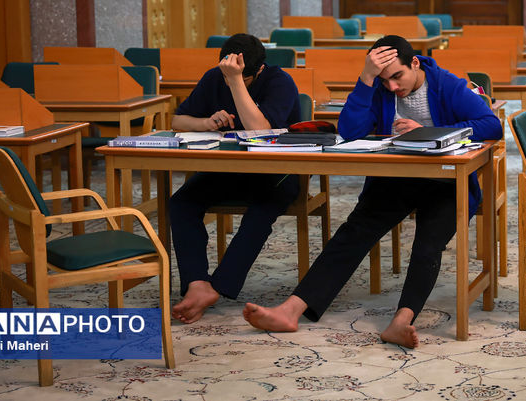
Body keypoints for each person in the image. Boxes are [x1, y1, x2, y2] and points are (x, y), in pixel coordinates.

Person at [242, 35, 502, 347]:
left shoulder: (446, 85)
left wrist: (431, 133)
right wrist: (366, 79)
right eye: (383, 79)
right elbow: (350, 132)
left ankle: (401, 322)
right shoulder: (378, 87)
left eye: (397, 76)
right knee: (353, 232)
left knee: (428, 244)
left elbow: (491, 124)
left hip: (447, 182)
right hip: (395, 179)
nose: (392, 86)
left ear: (414, 63)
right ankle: (290, 311)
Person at [169, 33, 301, 324]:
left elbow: (261, 132)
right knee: (181, 203)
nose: (227, 80)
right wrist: (206, 122)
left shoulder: (279, 81)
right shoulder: (214, 76)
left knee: (260, 213)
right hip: (228, 168)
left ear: (259, 70)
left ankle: (218, 286)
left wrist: (236, 82)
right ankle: (196, 283)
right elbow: (178, 121)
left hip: (278, 172)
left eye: (242, 77)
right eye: (226, 73)